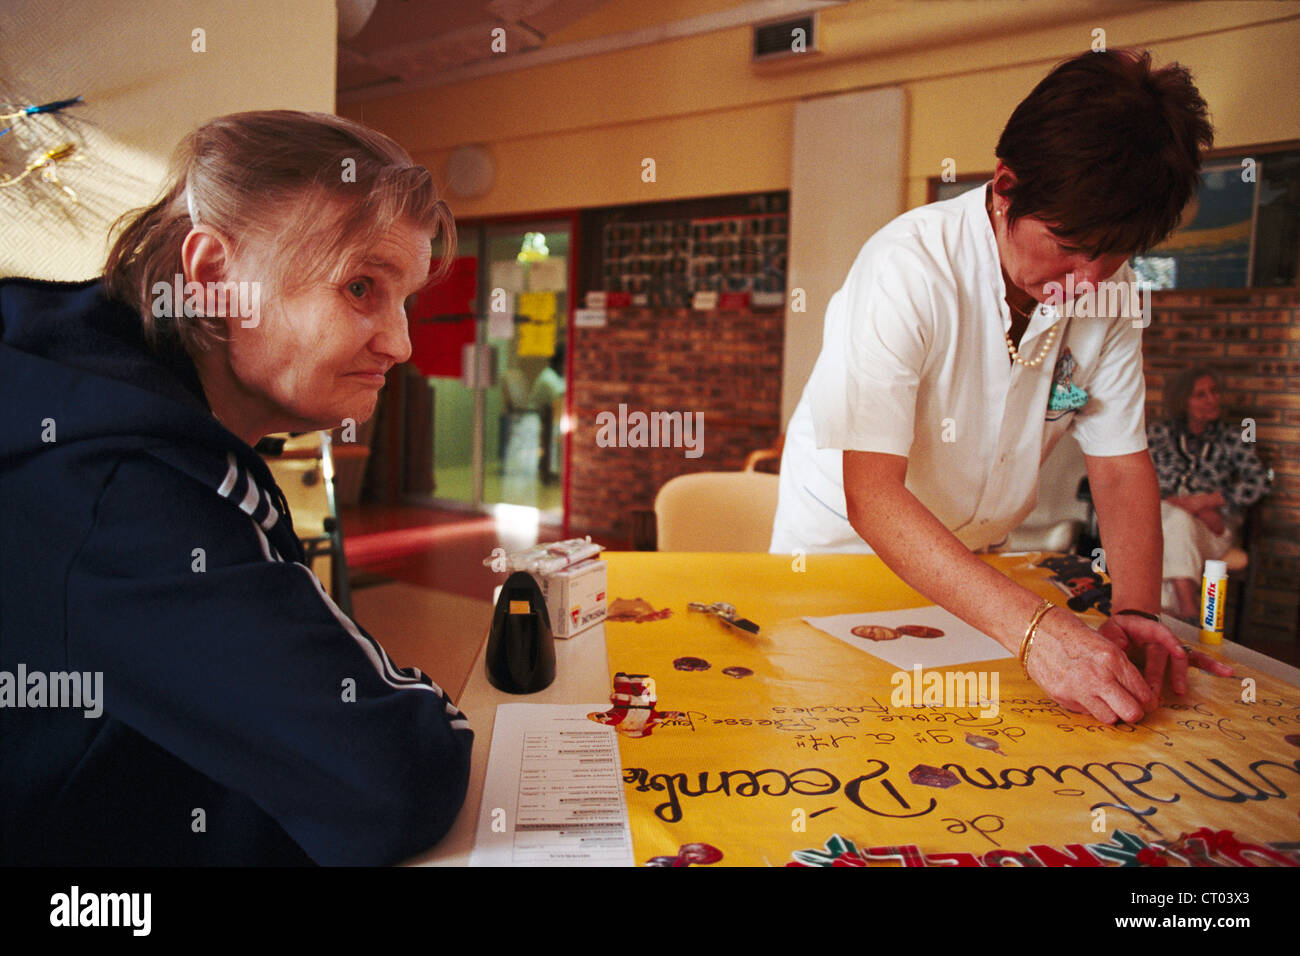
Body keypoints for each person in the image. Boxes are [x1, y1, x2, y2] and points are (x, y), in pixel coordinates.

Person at [0, 110, 472, 865]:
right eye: (360, 287)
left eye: (404, 297)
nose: (401, 342)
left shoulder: (127, 416)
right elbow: (393, 777)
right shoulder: (120, 482)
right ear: (215, 276)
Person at [771, 49, 1232, 725]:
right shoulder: (909, 269)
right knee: (836, 735)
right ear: (1007, 184)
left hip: (980, 569)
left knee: (975, 754)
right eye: (1068, 245)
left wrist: (1135, 610)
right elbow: (872, 495)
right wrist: (1036, 631)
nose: (1086, 280)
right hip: (844, 556)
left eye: (1113, 254)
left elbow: (1121, 465)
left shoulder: (1113, 295)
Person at [1147, 366, 1271, 619]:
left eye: (1214, 392)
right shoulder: (1158, 434)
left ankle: (1178, 618)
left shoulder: (1233, 437)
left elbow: (1259, 481)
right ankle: (1189, 611)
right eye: (1200, 395)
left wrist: (1211, 500)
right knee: (1174, 522)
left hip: (1213, 530)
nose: (1212, 399)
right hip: (1167, 521)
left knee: (1168, 532)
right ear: (1182, 400)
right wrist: (1198, 509)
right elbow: (1142, 481)